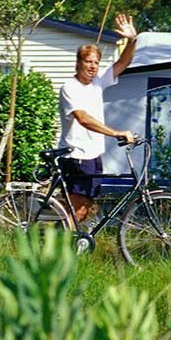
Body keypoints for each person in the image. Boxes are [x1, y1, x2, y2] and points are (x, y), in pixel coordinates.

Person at [57, 14, 139, 224]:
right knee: (77, 210)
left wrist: (132, 41)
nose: (93, 66)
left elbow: (123, 62)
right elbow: (83, 118)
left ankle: (61, 241)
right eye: (88, 62)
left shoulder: (97, 82)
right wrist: (116, 133)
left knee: (83, 211)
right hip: (76, 156)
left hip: (94, 156)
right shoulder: (70, 88)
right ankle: (55, 246)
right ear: (78, 63)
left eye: (96, 62)